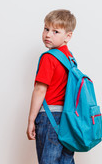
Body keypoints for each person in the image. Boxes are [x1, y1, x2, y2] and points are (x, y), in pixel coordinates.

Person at [26, 9, 77, 164]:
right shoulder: (70, 59)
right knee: (65, 160)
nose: (48, 34)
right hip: (69, 119)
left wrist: (30, 120)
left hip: (50, 119)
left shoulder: (49, 58)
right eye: (46, 29)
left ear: (68, 36)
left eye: (55, 31)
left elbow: (40, 90)